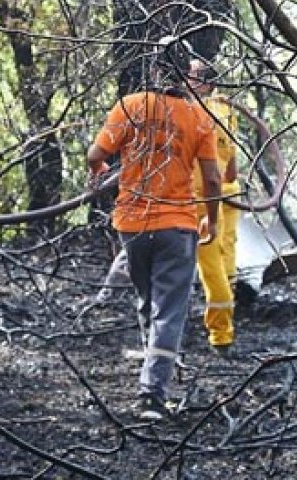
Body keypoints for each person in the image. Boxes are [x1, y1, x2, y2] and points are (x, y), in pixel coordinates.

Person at [87, 53, 222, 421]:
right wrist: (212, 221)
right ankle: (152, 393)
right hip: (177, 225)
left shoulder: (130, 106)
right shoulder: (199, 118)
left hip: (132, 225)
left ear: (154, 70)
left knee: (149, 302)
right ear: (184, 76)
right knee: (168, 311)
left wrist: (99, 168)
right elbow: (212, 179)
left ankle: (155, 370)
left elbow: (96, 154)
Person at [187, 59, 241, 354]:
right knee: (226, 257)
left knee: (211, 266)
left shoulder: (195, 113)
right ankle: (230, 313)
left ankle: (221, 334)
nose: (186, 79)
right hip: (229, 191)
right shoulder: (224, 109)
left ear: (205, 83)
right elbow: (231, 168)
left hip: (205, 196)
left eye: (192, 75)